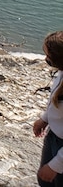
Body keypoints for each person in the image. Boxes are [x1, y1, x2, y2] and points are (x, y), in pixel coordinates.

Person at [34, 30, 63, 187]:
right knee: (44, 181)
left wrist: (56, 165)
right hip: (53, 136)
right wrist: (45, 119)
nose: (46, 60)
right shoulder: (61, 74)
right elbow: (55, 101)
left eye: (49, 59)